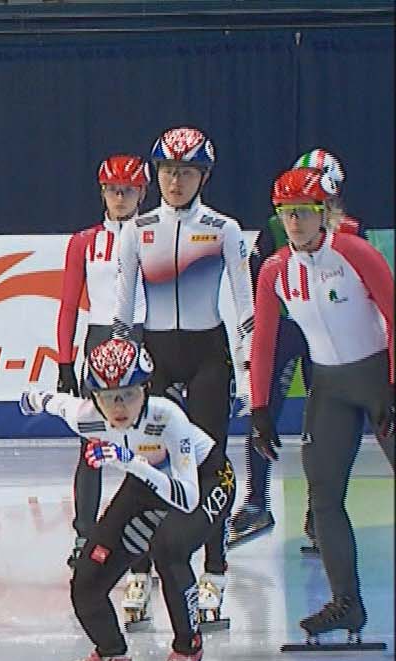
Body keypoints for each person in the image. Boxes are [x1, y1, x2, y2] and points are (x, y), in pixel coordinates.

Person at [22, 337, 235, 661]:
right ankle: (110, 654)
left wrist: (129, 462)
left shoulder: (168, 417)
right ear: (94, 398)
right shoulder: (87, 418)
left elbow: (186, 496)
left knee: (169, 549)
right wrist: (32, 400)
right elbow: (57, 403)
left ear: (146, 389)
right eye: (108, 397)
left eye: (129, 394)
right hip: (145, 481)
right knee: (87, 580)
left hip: (206, 478)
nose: (119, 406)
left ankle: (188, 647)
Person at [111, 126, 252, 627]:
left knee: (208, 463)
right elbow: (123, 309)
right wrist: (120, 366)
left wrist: (249, 372)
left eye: (185, 171)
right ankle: (141, 572)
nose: (175, 180)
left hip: (208, 354)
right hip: (156, 355)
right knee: (151, 461)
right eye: (168, 171)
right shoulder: (137, 228)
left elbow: (245, 306)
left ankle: (213, 569)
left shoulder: (223, 229)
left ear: (202, 176)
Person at [248, 166, 394, 642]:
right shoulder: (275, 270)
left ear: (324, 213)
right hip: (329, 389)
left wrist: (392, 384)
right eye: (286, 214)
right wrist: (260, 409)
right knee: (324, 496)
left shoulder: (354, 253)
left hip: (376, 377)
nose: (294, 223)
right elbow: (264, 341)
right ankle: (346, 604)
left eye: (304, 213)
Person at [229, 148, 363, 549]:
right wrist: (252, 334)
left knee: (323, 426)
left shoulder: (352, 231)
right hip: (287, 328)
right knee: (263, 409)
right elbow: (255, 278)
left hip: (326, 335)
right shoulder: (276, 224)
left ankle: (317, 510)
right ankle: (257, 501)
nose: (300, 212)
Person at [54, 154, 148, 565]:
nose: (120, 198)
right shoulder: (83, 242)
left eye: (128, 190)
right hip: (98, 342)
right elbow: (69, 304)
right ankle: (85, 536)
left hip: (145, 339)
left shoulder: (154, 236)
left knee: (147, 444)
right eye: (113, 190)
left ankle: (142, 536)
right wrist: (63, 361)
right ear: (102, 193)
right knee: (91, 444)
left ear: (142, 192)